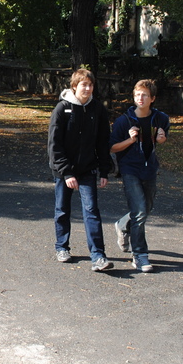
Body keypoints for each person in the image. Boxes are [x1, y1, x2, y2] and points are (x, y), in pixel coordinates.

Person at [48, 68, 114, 272]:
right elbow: (54, 145)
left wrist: (104, 170)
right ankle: (62, 247)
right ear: (74, 86)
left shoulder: (97, 109)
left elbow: (103, 141)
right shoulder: (62, 108)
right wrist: (67, 172)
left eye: (90, 85)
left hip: (87, 169)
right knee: (62, 209)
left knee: (91, 210)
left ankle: (98, 256)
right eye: (83, 84)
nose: (87, 88)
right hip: (64, 170)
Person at [108, 79, 170, 273]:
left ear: (152, 98)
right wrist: (130, 140)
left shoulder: (161, 119)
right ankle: (140, 255)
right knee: (140, 212)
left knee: (145, 209)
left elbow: (161, 138)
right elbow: (111, 147)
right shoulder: (123, 121)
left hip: (149, 169)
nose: (140, 98)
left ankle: (122, 224)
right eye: (137, 95)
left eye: (144, 95)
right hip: (130, 169)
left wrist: (161, 139)